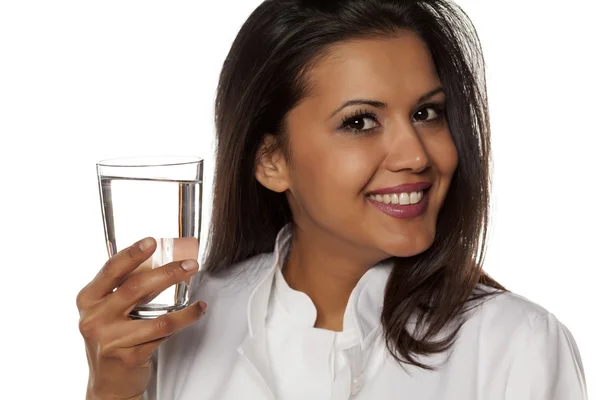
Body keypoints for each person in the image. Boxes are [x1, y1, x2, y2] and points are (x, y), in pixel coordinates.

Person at [76, 0, 589, 399]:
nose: (414, 155)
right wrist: (111, 391)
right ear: (271, 160)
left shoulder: (517, 346)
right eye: (360, 121)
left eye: (427, 113)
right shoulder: (176, 328)